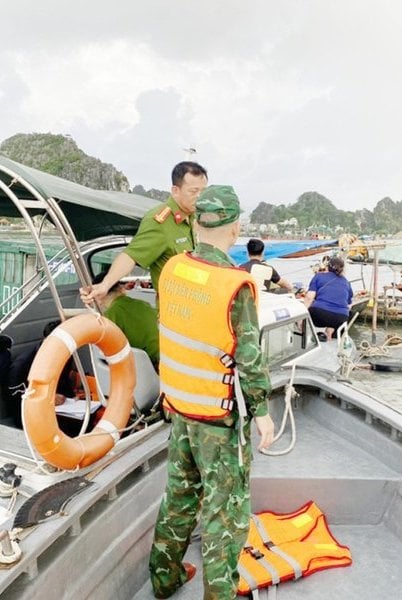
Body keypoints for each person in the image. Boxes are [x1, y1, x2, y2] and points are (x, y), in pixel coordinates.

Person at [149, 184, 275, 600]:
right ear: (236, 227)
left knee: (179, 498)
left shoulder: (172, 270)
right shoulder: (235, 285)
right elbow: (250, 360)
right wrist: (262, 412)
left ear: (197, 223)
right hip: (219, 423)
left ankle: (164, 580)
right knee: (225, 514)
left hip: (180, 409)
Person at [80, 161, 208, 309]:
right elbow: (131, 255)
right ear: (175, 190)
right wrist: (105, 285)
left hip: (195, 307)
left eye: (203, 192)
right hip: (175, 312)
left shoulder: (192, 217)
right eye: (193, 191)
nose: (200, 197)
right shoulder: (160, 222)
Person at [91, 272, 160, 368]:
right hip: (164, 357)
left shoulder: (112, 314)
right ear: (120, 288)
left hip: (147, 365)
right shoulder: (144, 304)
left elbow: (104, 349)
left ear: (99, 294)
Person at [304, 256, 353, 341]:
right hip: (341, 318)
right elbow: (349, 305)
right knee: (335, 318)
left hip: (319, 314)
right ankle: (330, 332)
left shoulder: (319, 276)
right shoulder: (346, 282)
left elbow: (309, 298)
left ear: (328, 266)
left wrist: (302, 316)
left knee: (304, 320)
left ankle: (304, 337)